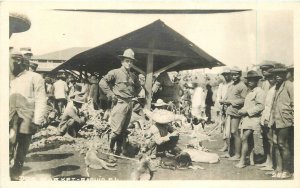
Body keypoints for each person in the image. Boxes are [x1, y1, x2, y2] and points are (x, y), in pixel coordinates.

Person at [9, 50, 47, 180]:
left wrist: (37, 121)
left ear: (18, 61)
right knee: (7, 145)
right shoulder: (7, 78)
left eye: (9, 62)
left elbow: (41, 100)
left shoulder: (34, 77)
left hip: (26, 119)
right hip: (9, 118)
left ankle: (16, 172)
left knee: (22, 149)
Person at [99, 48, 141, 155]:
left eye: (131, 61)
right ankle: (110, 150)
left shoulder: (133, 76)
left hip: (129, 103)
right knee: (116, 130)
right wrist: (110, 94)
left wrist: (134, 95)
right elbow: (102, 82)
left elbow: (138, 87)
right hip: (119, 103)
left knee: (123, 130)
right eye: (127, 61)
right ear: (122, 61)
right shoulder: (115, 72)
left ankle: (118, 150)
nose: (129, 63)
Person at [235, 70, 265, 168]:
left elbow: (260, 106)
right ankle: (251, 159)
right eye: (249, 80)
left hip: (254, 119)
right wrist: (241, 110)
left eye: (252, 80)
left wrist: (247, 112)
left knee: (244, 138)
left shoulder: (259, 92)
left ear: (257, 81)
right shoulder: (250, 92)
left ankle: (243, 161)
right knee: (249, 140)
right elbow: (247, 105)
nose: (250, 82)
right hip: (247, 119)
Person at [268, 68, 293, 179]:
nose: (277, 76)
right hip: (275, 119)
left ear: (285, 74)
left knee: (283, 144)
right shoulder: (276, 87)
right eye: (275, 74)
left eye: (280, 74)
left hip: (284, 119)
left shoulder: (289, 85)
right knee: (275, 144)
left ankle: (287, 170)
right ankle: (278, 168)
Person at [220, 66, 248, 160]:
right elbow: (227, 97)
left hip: (236, 112)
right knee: (228, 133)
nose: (234, 76)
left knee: (234, 132)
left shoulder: (242, 86)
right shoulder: (231, 85)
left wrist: (231, 102)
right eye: (232, 75)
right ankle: (230, 153)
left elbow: (244, 100)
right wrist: (224, 101)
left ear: (239, 75)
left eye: (236, 75)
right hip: (228, 111)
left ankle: (237, 154)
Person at [259, 70, 277, 171]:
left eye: (272, 77)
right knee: (266, 140)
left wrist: (267, 119)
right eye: (269, 78)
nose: (270, 80)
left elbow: (271, 107)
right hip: (265, 115)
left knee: (271, 140)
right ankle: (268, 160)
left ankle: (271, 163)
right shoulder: (270, 88)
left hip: (270, 117)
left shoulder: (276, 89)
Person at [215, 67, 233, 152]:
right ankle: (225, 145)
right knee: (224, 127)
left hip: (230, 108)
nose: (226, 76)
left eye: (227, 74)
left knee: (229, 129)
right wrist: (220, 106)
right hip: (223, 108)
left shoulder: (232, 84)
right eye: (225, 75)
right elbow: (218, 96)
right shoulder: (221, 85)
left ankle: (230, 147)